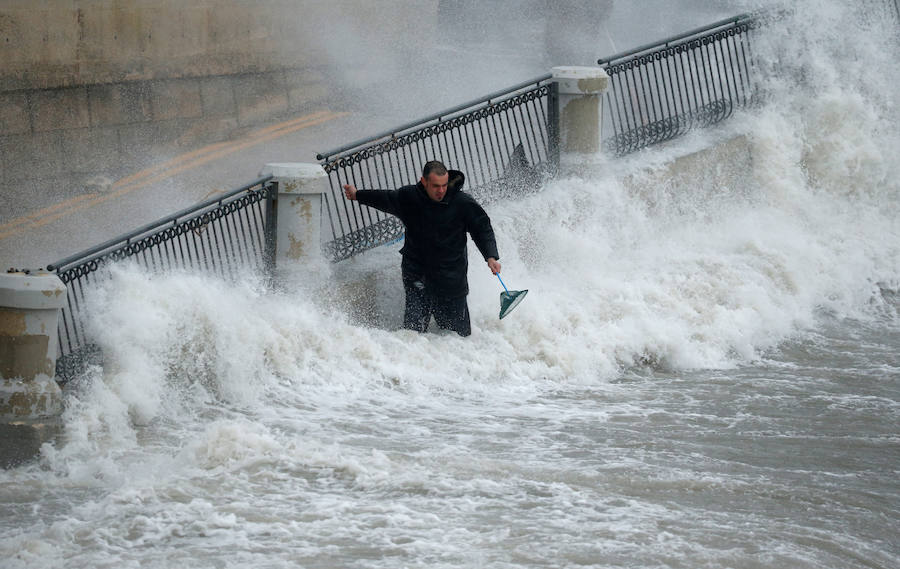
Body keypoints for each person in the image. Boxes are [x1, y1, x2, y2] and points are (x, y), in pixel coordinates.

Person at [343, 160, 501, 337]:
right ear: (424, 182)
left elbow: (482, 228)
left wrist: (490, 256)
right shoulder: (409, 197)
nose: (441, 190)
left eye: (443, 185)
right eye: (435, 186)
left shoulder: (462, 203)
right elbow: (386, 198)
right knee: (413, 334)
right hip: (417, 275)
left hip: (451, 278)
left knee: (458, 336)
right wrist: (358, 195)